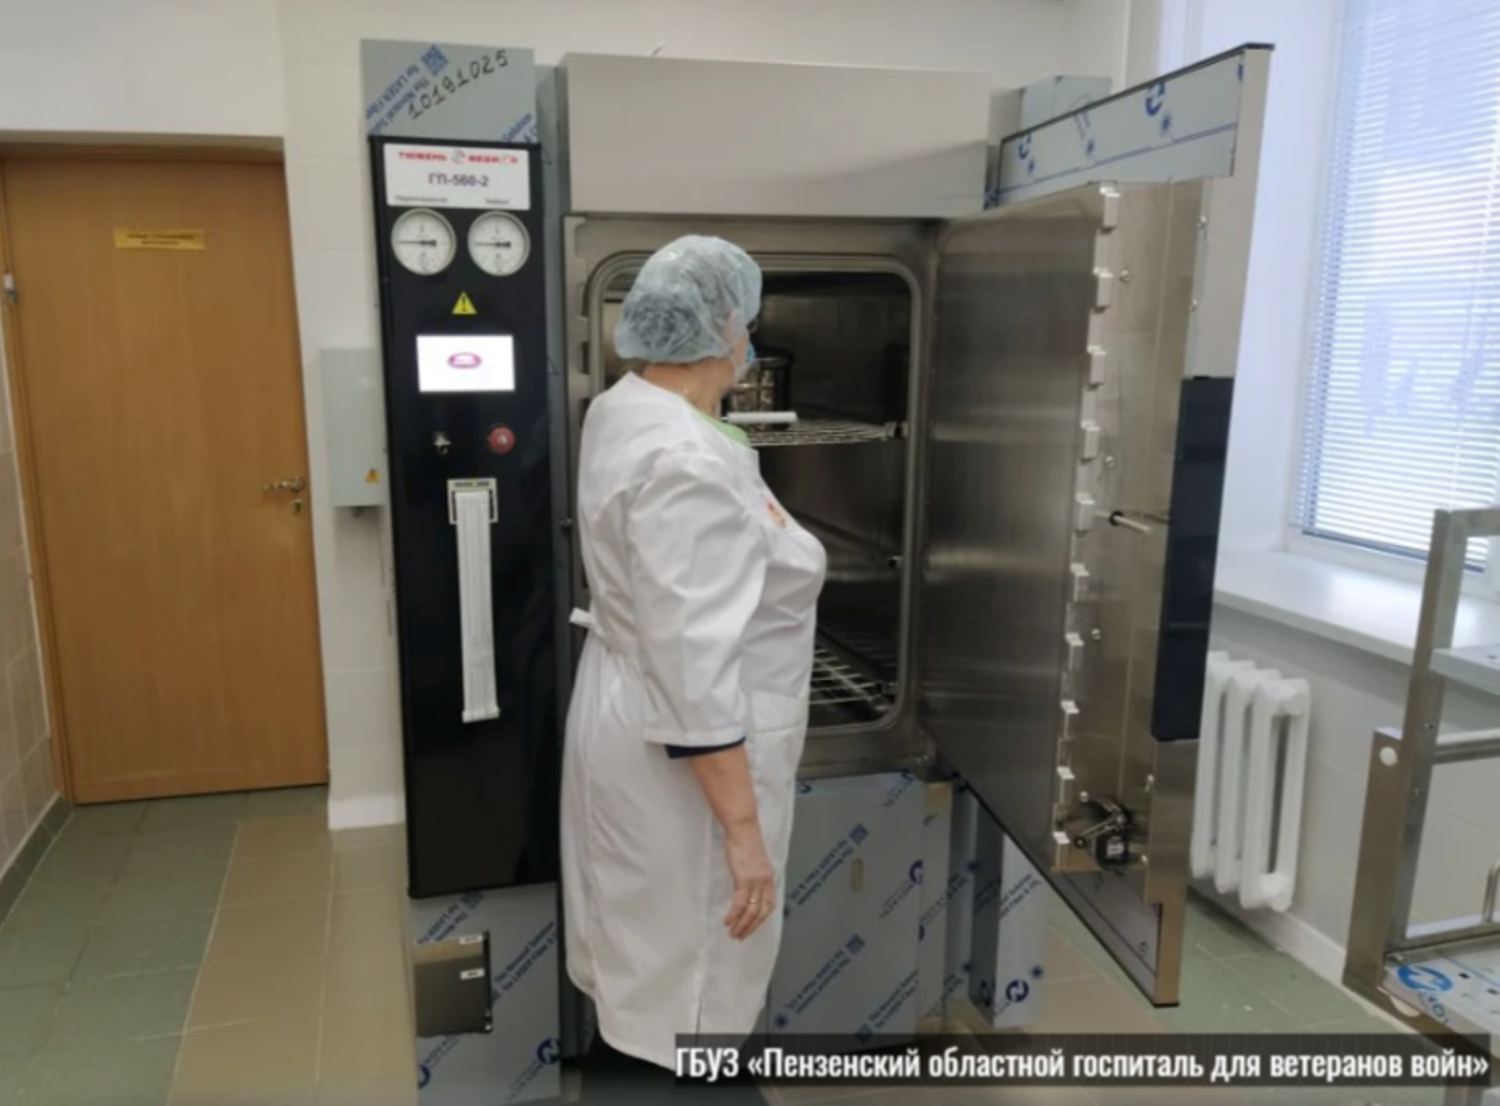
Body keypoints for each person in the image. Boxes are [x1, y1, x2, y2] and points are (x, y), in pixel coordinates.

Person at [561, 236, 827, 1101]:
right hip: (684, 759)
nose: (749, 338)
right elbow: (694, 669)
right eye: (746, 322)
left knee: (647, 957)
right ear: (725, 331)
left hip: (626, 707)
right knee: (692, 983)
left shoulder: (627, 408)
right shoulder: (686, 462)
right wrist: (744, 837)